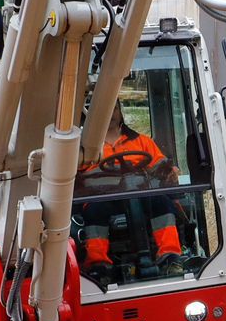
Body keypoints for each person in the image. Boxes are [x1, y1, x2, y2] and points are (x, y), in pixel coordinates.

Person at [76, 110, 183, 284]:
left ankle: (170, 258)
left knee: (162, 202)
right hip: (103, 198)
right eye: (105, 107)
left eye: (114, 108)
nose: (109, 113)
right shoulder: (84, 149)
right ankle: (99, 265)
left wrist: (170, 170)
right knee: (94, 211)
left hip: (140, 194)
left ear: (120, 112)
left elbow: (160, 166)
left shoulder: (142, 142)